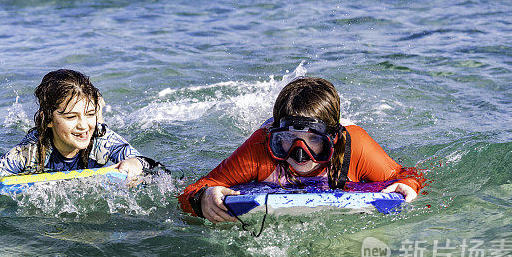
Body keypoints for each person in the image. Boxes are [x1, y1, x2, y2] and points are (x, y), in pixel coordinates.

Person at [178, 77, 424, 222]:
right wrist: (203, 199)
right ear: (274, 136)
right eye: (287, 138)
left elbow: (409, 176)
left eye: (313, 140)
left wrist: (410, 185)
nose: (299, 153)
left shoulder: (354, 146)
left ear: (332, 140)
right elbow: (190, 191)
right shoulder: (259, 148)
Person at [0, 69, 153, 191]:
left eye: (88, 114)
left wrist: (135, 164)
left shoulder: (100, 139)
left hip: (97, 132)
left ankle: (96, 107)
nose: (82, 125)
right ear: (48, 119)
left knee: (97, 126)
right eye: (71, 117)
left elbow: (148, 163)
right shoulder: (30, 152)